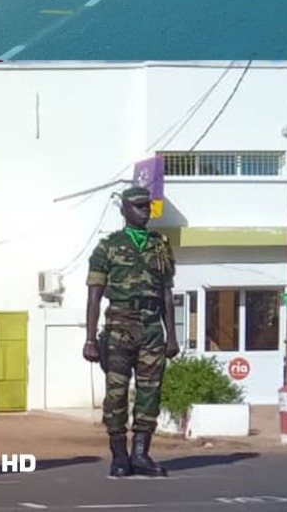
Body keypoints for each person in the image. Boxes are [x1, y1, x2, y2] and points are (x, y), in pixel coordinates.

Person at [84, 185, 178, 479]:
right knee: (116, 394)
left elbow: (166, 294)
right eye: (138, 207)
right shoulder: (108, 246)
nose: (144, 211)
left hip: (151, 328)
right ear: (124, 210)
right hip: (119, 328)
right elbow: (94, 296)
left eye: (147, 207)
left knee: (150, 393)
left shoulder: (160, 246)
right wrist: (89, 339)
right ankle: (120, 455)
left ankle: (141, 454)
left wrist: (171, 335)